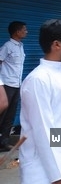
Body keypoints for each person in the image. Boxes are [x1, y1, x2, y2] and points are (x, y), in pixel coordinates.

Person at [19, 19, 61, 184]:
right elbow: (43, 130)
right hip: (44, 169)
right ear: (56, 45)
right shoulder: (38, 80)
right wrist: (58, 174)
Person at [0, 20, 26, 151]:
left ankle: (4, 142)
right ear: (17, 32)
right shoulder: (7, 47)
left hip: (17, 85)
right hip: (7, 85)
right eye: (24, 30)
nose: (26, 32)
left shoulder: (20, 46)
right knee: (2, 114)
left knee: (10, 115)